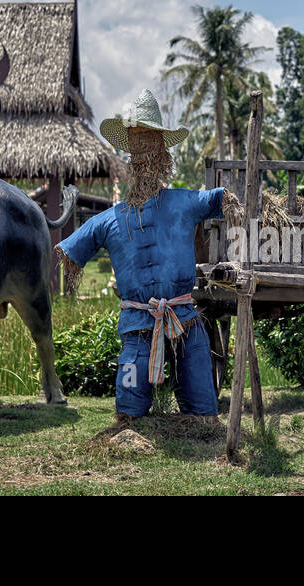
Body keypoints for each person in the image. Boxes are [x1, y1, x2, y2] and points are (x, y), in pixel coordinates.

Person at [56, 89, 242, 422]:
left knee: (199, 383)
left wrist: (235, 205)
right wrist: (68, 266)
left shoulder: (184, 203)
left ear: (162, 148)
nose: (143, 148)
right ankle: (128, 423)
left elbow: (222, 199)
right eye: (136, 140)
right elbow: (71, 249)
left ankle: (201, 419)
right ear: (128, 148)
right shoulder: (110, 219)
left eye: (149, 140)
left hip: (184, 315)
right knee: (131, 389)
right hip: (138, 321)